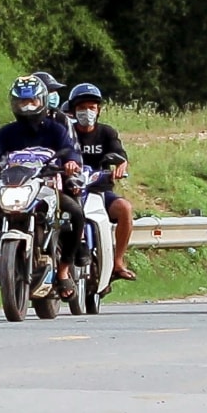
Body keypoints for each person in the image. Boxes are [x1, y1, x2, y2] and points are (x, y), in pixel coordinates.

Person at [0, 75, 84, 298]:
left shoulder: (56, 129)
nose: (27, 107)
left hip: (47, 188)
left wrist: (70, 162)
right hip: (15, 187)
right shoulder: (8, 132)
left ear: (42, 101)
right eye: (22, 102)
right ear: (14, 104)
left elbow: (69, 149)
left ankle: (63, 270)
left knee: (76, 215)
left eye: (32, 102)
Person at [65, 82, 137, 281]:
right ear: (73, 110)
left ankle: (118, 262)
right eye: (81, 108)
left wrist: (121, 165)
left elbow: (119, 154)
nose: (86, 112)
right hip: (70, 191)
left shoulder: (107, 132)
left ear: (98, 110)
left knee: (124, 208)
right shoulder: (66, 134)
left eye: (91, 108)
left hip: (99, 191)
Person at [33, 71, 75, 136]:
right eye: (50, 91)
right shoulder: (26, 118)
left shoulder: (61, 119)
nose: (55, 94)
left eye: (55, 90)